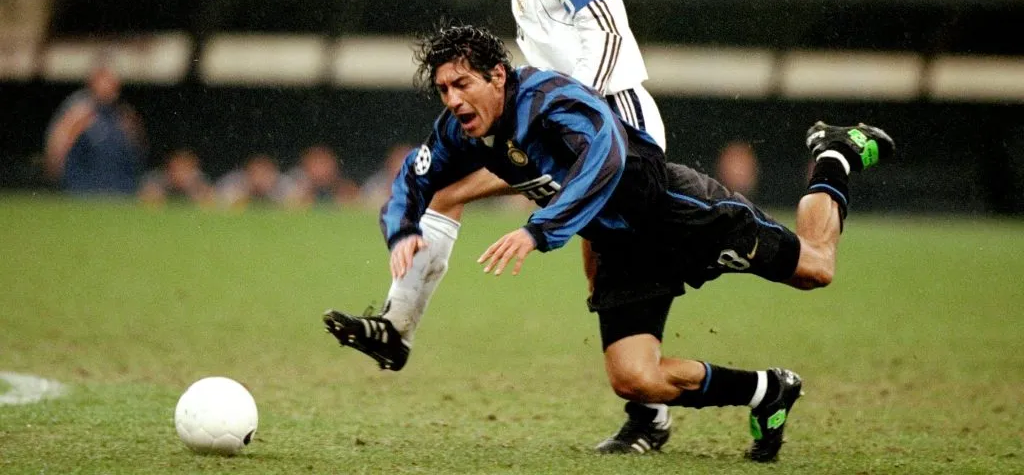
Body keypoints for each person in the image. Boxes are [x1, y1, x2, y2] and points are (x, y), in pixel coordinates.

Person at [325, 25, 895, 461]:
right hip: (625, 249)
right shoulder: (461, 130)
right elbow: (414, 178)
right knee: (634, 378)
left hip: (682, 217)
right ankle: (768, 391)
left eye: (463, 84)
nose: (452, 99)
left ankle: (834, 155)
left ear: (497, 76)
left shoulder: (549, 98)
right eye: (444, 89)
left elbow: (607, 158)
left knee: (815, 267)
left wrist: (538, 230)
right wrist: (402, 230)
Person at [323, 0, 678, 454]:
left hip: (609, 127)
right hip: (563, 126)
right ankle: (396, 331)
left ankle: (652, 411)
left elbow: (599, 26)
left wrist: (587, 117)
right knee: (447, 194)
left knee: (606, 265)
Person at [44, 61, 146, 195]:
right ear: (92, 82)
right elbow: (56, 148)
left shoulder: (123, 113)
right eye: (104, 80)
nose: (108, 86)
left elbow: (138, 151)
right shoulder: (78, 110)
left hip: (118, 188)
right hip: (82, 187)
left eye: (112, 81)